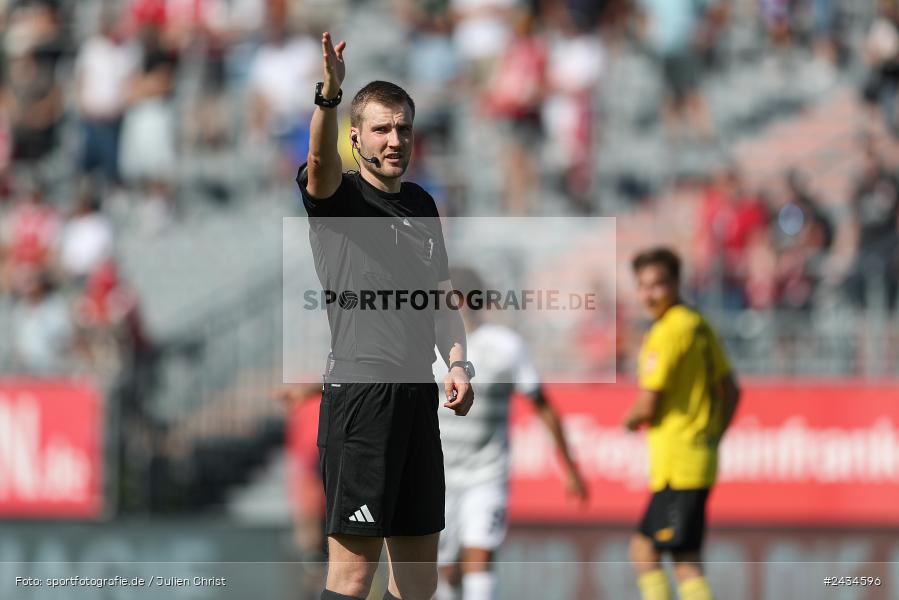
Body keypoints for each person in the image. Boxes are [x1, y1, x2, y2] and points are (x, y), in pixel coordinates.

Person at [295, 32, 475, 600]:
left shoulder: (422, 204)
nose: (395, 139)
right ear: (357, 137)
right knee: (352, 578)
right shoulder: (340, 200)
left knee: (419, 582)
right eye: (381, 128)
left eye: (403, 128)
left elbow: (442, 300)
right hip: (362, 399)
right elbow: (319, 162)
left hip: (417, 397)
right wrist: (329, 94)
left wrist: (457, 362)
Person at [434, 266, 588, 600]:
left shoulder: (505, 346)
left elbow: (542, 405)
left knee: (480, 557)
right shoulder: (428, 347)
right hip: (437, 475)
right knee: (446, 569)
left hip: (486, 474)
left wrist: (570, 467)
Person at [623, 248, 740, 600]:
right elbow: (732, 390)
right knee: (686, 557)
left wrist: (629, 420)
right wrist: (713, 434)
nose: (649, 295)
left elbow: (648, 402)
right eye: (642, 286)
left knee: (645, 553)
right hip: (697, 458)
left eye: (657, 285)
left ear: (676, 283)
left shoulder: (668, 331)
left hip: (678, 463)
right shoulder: (698, 323)